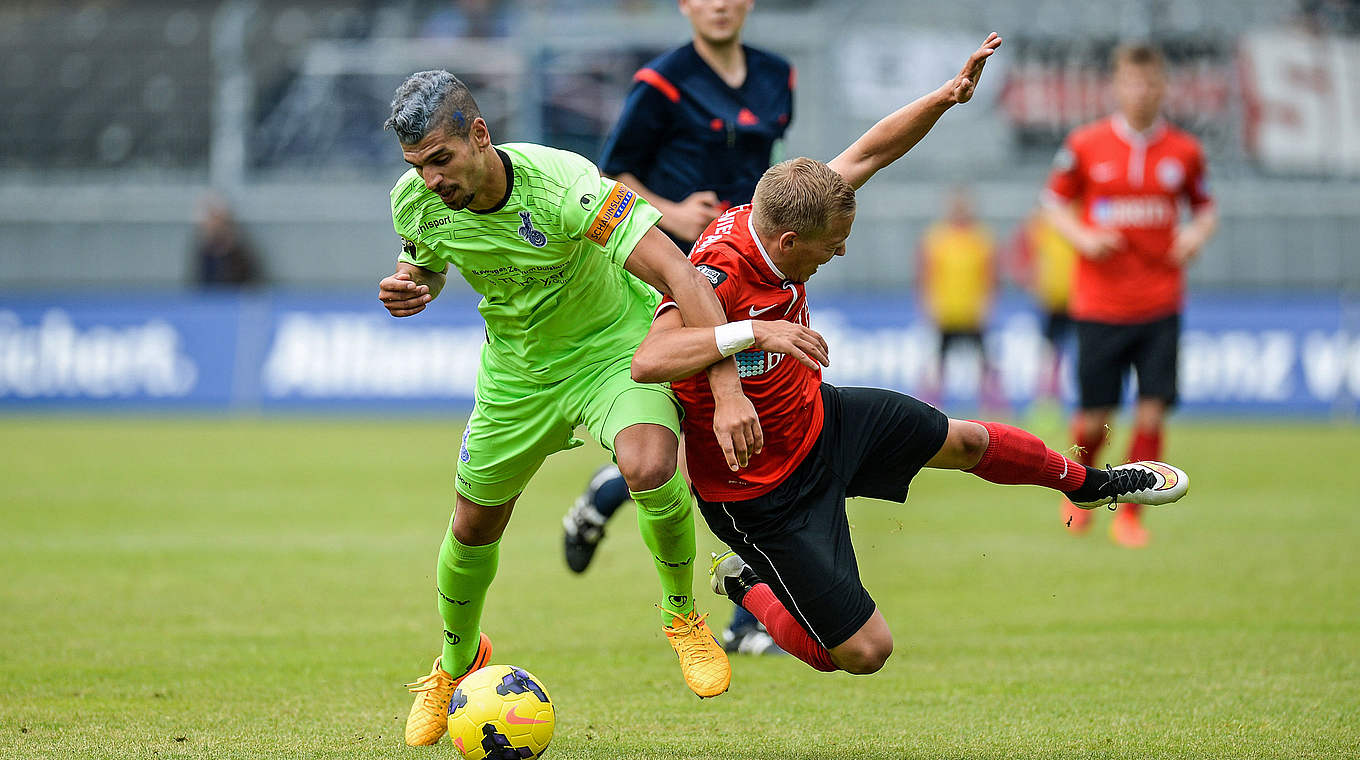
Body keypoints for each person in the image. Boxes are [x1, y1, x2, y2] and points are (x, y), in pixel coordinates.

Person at [631, 33, 1189, 677]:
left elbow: (872, 149)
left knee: (967, 441)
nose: (837, 253)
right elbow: (653, 358)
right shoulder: (719, 272)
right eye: (830, 245)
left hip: (821, 423)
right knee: (864, 653)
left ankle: (1094, 485)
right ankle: (745, 586)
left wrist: (948, 98)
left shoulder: (796, 203)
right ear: (788, 240)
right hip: (758, 491)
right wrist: (755, 335)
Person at [378, 70, 766, 746]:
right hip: (518, 373)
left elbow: (677, 272)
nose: (432, 179)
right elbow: (429, 260)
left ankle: (682, 617)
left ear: (479, 135)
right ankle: (454, 663)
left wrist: (727, 387)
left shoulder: (565, 185)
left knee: (649, 465)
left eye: (442, 160)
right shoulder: (414, 204)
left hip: (613, 350)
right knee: (472, 525)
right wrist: (417, 286)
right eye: (418, 166)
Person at [559, 0, 794, 655]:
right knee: (730, 445)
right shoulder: (660, 83)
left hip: (750, 276)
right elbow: (608, 179)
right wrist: (672, 213)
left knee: (746, 440)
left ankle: (613, 488)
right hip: (678, 281)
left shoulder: (780, 75)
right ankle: (748, 617)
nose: (718, 3)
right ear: (686, 5)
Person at [1042, 43, 1217, 547]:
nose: (1141, 92)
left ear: (1162, 88)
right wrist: (1083, 237)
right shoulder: (1085, 145)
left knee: (1151, 411)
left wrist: (1194, 236)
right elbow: (1053, 205)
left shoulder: (1184, 152)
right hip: (1100, 304)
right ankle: (1078, 489)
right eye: (1131, 83)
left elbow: (1206, 208)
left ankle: (1133, 514)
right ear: (1117, 87)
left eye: (1150, 83)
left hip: (1160, 301)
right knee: (1094, 417)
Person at [916, 185, 999, 409]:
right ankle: (930, 404)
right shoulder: (936, 238)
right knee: (937, 361)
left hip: (972, 312)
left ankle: (992, 405)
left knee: (985, 361)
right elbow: (927, 275)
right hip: (947, 312)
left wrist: (986, 305)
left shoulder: (981, 238)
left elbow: (989, 276)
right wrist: (929, 305)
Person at [1005, 209, 1077, 402]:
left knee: (1077, 350)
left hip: (1079, 299)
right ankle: (1048, 397)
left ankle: (1071, 397)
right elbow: (1021, 250)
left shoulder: (1080, 216)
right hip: (1051, 300)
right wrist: (1027, 278)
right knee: (1050, 351)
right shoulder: (1041, 223)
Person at [192, 194, 261, 287]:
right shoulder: (204, 253)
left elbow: (251, 285)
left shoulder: (240, 252)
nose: (210, 226)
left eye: (215, 220)